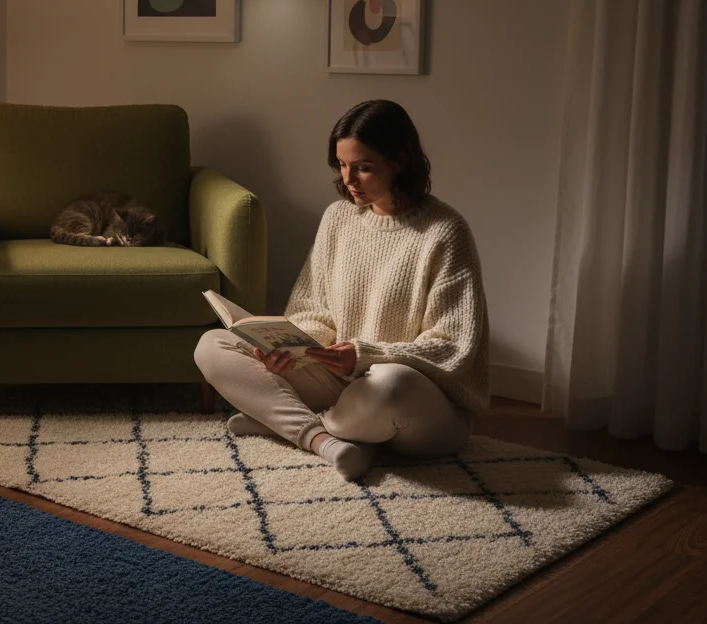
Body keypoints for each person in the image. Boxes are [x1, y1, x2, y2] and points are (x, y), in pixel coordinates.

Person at [193, 100, 490, 480]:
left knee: (390, 383)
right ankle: (327, 441)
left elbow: (452, 346)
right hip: (345, 386)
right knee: (213, 345)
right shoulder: (338, 218)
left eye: (363, 168)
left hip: (421, 403)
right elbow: (311, 309)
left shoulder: (445, 232)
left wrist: (365, 354)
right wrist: (289, 351)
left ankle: (281, 420)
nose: (349, 180)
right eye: (342, 165)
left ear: (399, 161)